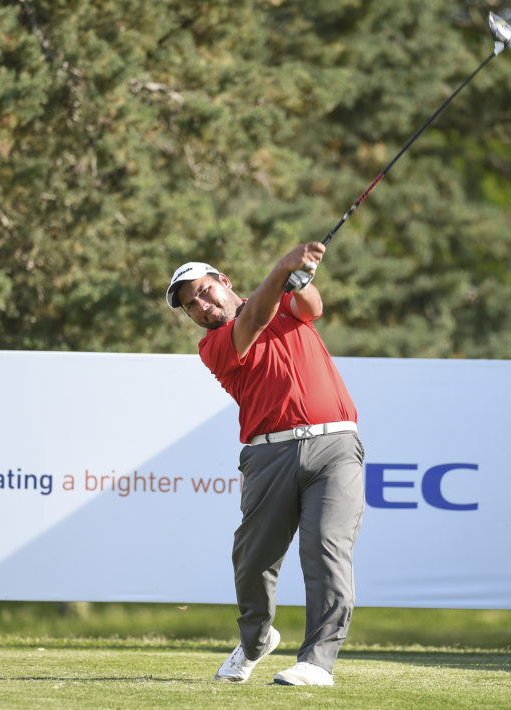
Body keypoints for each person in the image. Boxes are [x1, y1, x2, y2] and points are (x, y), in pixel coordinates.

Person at [166, 242, 365, 687]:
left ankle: (317, 662)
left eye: (203, 291)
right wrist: (283, 267)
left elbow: (312, 304)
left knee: (327, 549)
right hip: (268, 453)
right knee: (254, 561)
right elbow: (253, 317)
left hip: (335, 445)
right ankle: (256, 640)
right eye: (190, 306)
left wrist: (303, 275)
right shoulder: (214, 345)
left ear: (224, 282)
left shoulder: (283, 305)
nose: (200, 306)